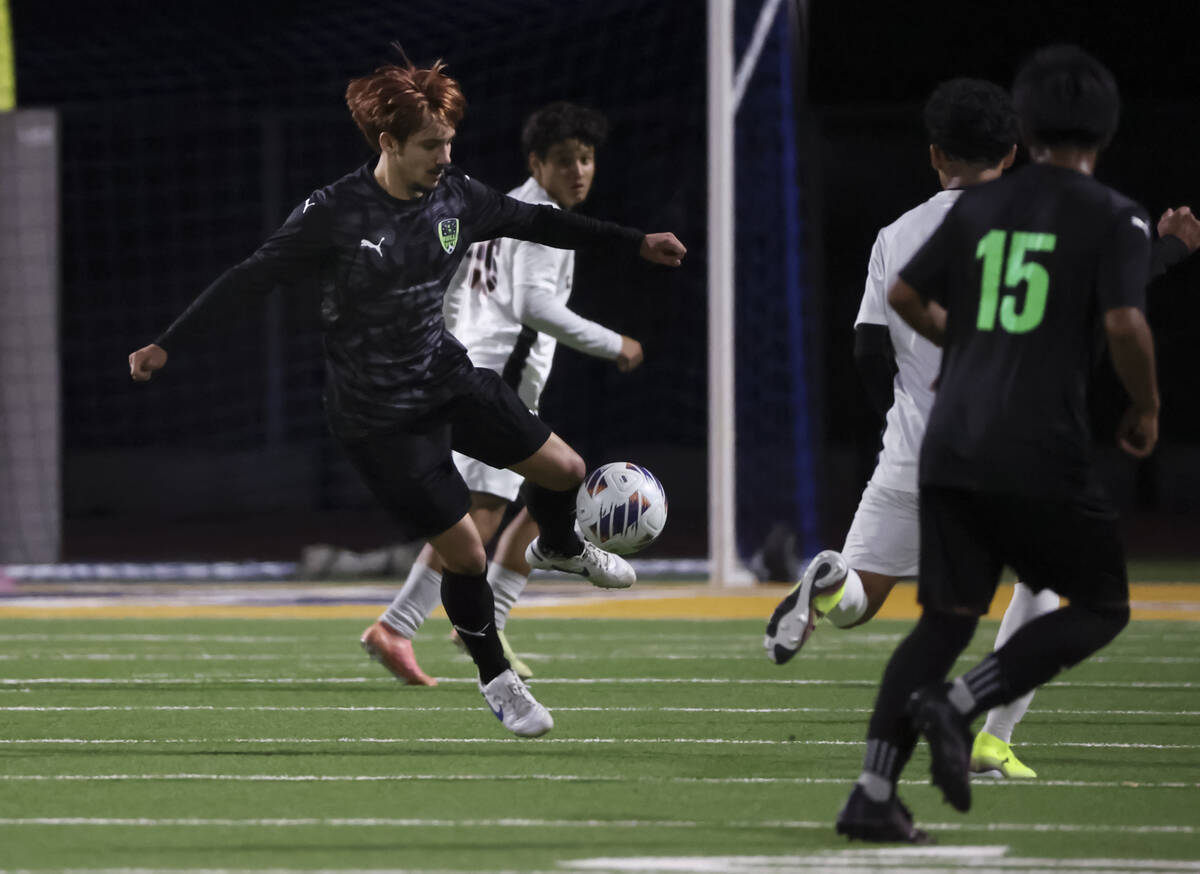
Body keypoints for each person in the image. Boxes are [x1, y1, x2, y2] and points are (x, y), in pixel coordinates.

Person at [128, 54, 685, 739]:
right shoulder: (335, 212)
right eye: (431, 145)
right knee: (467, 556)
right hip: (378, 419)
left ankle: (561, 546)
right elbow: (251, 278)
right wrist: (168, 343)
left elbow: (540, 223)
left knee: (566, 471)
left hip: (446, 377)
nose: (446, 157)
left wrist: (636, 244)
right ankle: (498, 681)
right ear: (388, 143)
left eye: (449, 142)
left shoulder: (456, 195)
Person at [764, 78, 1200, 780]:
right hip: (1011, 449)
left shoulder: (895, 234)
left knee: (862, 604)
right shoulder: (1035, 221)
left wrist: (901, 417)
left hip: (915, 450)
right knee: (1047, 587)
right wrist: (1171, 250)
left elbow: (868, 351)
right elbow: (1106, 303)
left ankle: (831, 581)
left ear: (935, 153)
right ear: (1013, 152)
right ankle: (991, 737)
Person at [832, 44, 1158, 843]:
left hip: (948, 444)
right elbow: (1122, 320)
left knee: (942, 622)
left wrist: (971, 347)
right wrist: (1146, 403)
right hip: (1036, 445)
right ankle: (965, 704)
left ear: (1027, 132)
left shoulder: (976, 211)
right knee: (1100, 602)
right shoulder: (1111, 214)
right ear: (1105, 130)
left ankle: (873, 792)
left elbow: (905, 295)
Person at [359, 100, 644, 686]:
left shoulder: (505, 207)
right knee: (484, 512)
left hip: (488, 374)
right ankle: (397, 625)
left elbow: (454, 285)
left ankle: (473, 619)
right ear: (537, 163)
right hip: (497, 381)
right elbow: (533, 306)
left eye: (586, 159)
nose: (578, 172)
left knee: (540, 500)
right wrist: (614, 342)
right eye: (564, 161)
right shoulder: (540, 220)